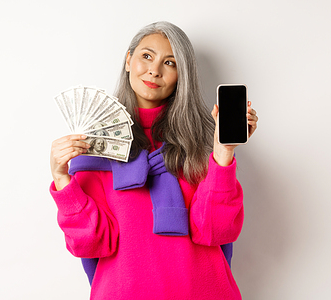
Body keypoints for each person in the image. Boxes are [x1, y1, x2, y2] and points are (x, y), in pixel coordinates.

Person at [49, 21, 258, 300]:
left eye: (170, 63)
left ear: (181, 76)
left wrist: (222, 151)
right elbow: (91, 244)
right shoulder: (94, 147)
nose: (154, 70)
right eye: (146, 56)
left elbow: (215, 230)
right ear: (128, 60)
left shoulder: (202, 143)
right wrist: (63, 180)